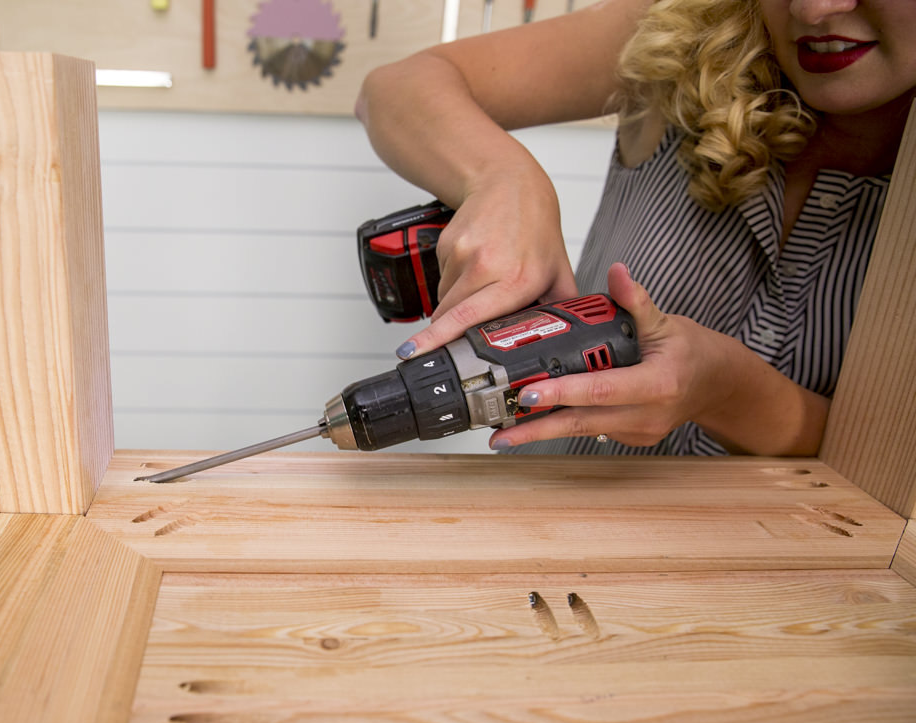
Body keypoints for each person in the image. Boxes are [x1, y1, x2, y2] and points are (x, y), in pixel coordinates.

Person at [354, 0, 915, 457]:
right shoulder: (687, 31)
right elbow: (395, 87)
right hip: (531, 535)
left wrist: (725, 389)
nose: (815, 10)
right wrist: (503, 179)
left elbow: (888, 465)